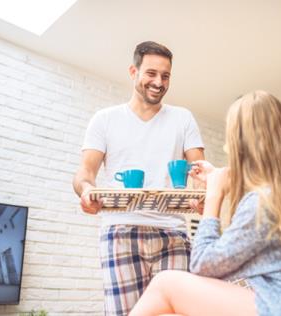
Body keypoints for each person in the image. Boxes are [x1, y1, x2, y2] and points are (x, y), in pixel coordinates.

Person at [129, 91, 281, 316]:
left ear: (239, 143)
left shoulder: (261, 203)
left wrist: (214, 196)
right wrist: (225, 184)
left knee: (166, 283)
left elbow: (203, 266)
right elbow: (239, 247)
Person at [72, 41, 205, 315]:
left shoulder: (183, 119)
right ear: (134, 72)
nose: (158, 82)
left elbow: (200, 169)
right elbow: (85, 173)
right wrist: (86, 191)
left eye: (165, 76)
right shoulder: (104, 119)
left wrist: (203, 195)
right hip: (120, 231)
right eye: (151, 73)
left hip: (173, 234)